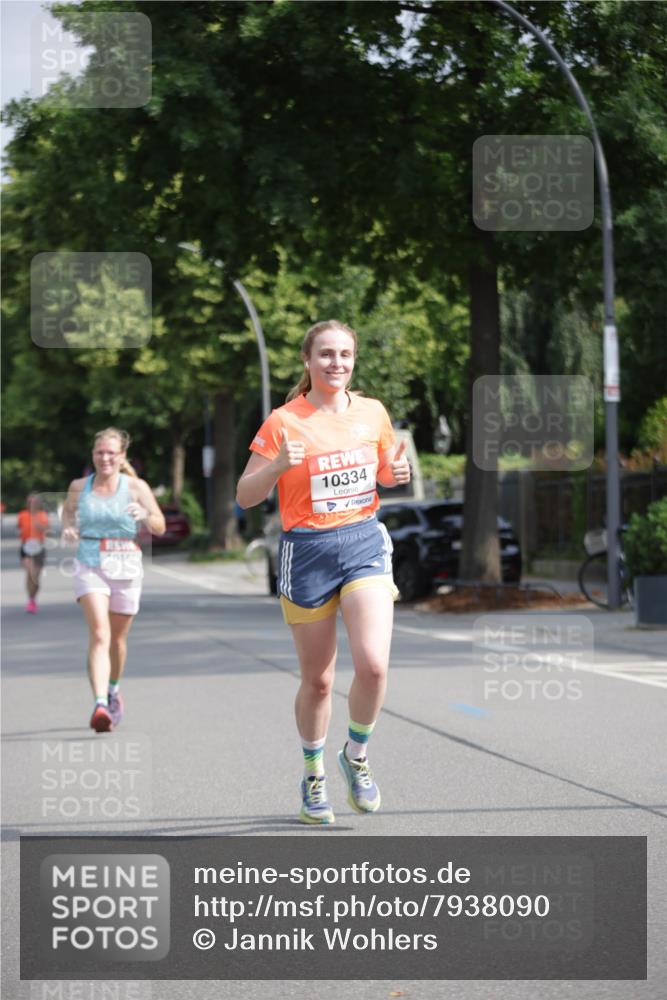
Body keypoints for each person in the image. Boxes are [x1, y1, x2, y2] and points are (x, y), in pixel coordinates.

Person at [237, 320, 410, 825]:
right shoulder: (283, 421)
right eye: (327, 354)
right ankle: (313, 775)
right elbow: (246, 495)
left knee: (374, 665)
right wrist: (275, 466)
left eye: (346, 354)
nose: (337, 363)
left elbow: (380, 472)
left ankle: (355, 757)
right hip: (307, 552)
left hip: (362, 542)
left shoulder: (373, 412)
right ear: (308, 361)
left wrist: (394, 475)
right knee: (318, 681)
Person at [61, 428, 166, 733]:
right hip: (89, 562)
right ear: (93, 456)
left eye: (111, 453)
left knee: (117, 641)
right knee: (99, 634)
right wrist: (69, 529)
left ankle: (113, 689)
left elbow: (159, 526)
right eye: (99, 453)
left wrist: (144, 513)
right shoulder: (79, 486)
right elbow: (68, 514)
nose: (105, 458)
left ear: (121, 457)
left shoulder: (136, 487)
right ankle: (99, 705)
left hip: (125, 566)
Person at [18, 494, 49, 613]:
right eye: (29, 502)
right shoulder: (22, 515)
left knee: (35, 577)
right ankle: (30, 600)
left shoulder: (42, 515)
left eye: (33, 502)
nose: (31, 504)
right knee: (30, 573)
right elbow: (19, 528)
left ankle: (33, 598)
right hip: (26, 548)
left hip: (39, 549)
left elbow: (48, 530)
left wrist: (40, 527)